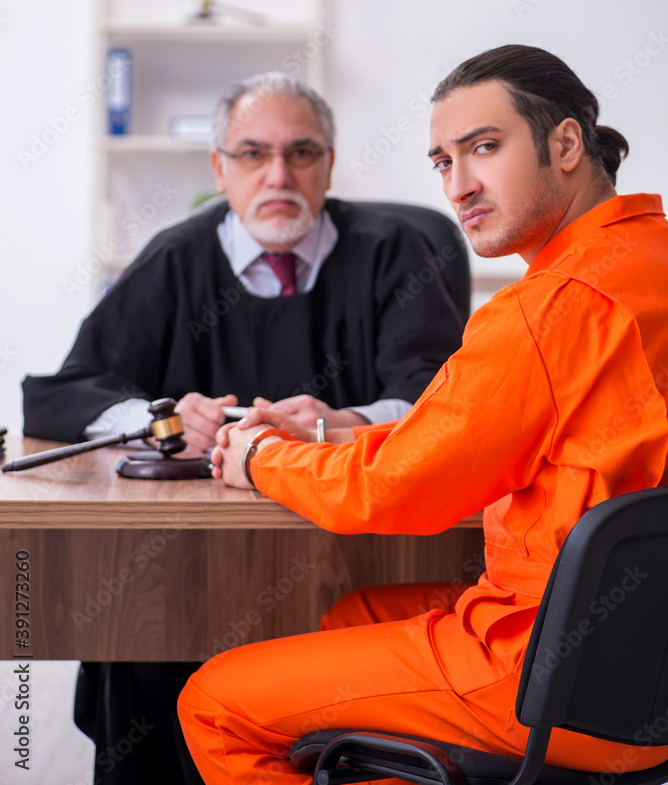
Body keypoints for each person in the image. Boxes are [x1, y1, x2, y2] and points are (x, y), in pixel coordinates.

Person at [177, 45, 668, 782]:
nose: (459, 186)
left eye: (484, 148)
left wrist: (256, 457)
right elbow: (486, 430)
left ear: (566, 144)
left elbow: (393, 490)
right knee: (355, 614)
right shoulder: (646, 261)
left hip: (547, 675)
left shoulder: (547, 309)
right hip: (643, 664)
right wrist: (333, 429)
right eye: (443, 161)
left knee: (212, 702)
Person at [22, 72, 466, 785]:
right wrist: (160, 419)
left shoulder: (394, 251)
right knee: (146, 671)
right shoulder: (177, 257)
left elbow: (450, 400)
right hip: (183, 571)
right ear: (219, 168)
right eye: (253, 154)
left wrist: (344, 423)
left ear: (329, 162)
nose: (278, 175)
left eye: (301, 153)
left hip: (354, 561)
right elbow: (63, 391)